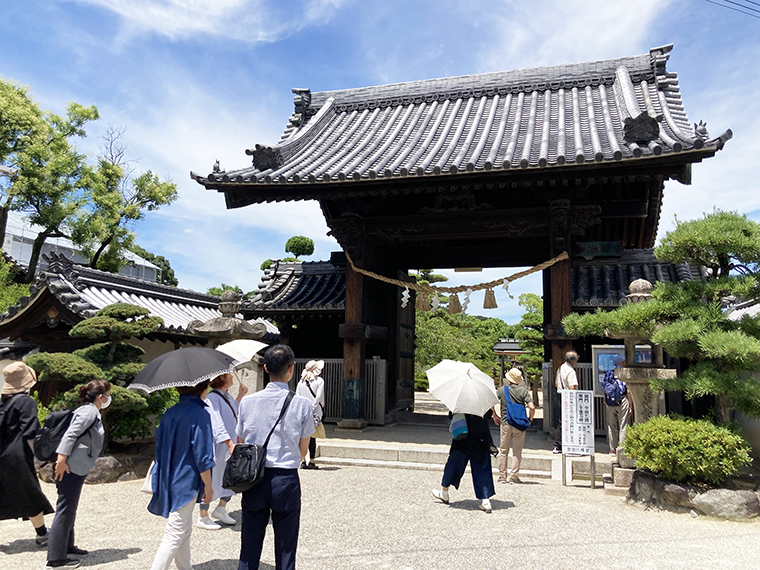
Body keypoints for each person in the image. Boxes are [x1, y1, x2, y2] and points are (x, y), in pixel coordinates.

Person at [236, 344, 314, 570]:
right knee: (286, 545)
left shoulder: (248, 402)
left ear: (266, 368)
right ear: (291, 369)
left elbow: (241, 443)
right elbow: (303, 449)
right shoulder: (302, 404)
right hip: (285, 477)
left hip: (254, 477)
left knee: (249, 544)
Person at [148, 380, 215, 570]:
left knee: (183, 527)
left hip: (168, 476)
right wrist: (208, 486)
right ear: (203, 388)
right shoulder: (200, 414)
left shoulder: (170, 413)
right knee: (175, 531)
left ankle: (186, 567)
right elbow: (203, 456)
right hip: (186, 479)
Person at [46, 379, 110, 569]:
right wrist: (61, 460)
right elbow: (71, 435)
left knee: (69, 507)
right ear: (101, 397)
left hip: (73, 465)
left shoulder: (88, 410)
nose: (108, 398)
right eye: (107, 394)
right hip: (69, 466)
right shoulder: (89, 411)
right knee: (65, 508)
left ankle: (67, 545)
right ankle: (56, 559)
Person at [0, 362, 54, 547]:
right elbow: (31, 432)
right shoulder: (26, 401)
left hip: (2, 454)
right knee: (30, 492)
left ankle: (42, 533)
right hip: (18, 456)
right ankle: (42, 534)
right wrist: (40, 458)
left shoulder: (3, 403)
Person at [197, 372, 248, 530]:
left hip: (228, 444)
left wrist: (240, 395)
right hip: (220, 446)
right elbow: (216, 422)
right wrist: (229, 442)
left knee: (231, 478)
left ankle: (221, 508)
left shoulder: (224, 396)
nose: (233, 376)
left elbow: (234, 411)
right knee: (213, 478)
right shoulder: (213, 398)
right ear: (222, 379)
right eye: (229, 375)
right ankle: (202, 515)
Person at [432, 410, 498, 513]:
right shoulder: (482, 405)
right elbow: (488, 417)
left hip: (462, 440)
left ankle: (444, 492)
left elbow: (451, 416)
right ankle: (485, 500)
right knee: (482, 469)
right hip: (480, 439)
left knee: (452, 466)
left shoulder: (461, 404)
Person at [495, 368, 535, 484]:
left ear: (508, 379)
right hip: (519, 424)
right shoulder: (523, 391)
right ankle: (513, 476)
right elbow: (532, 407)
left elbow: (491, 401)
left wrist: (495, 414)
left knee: (503, 450)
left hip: (505, 422)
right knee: (517, 451)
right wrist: (530, 419)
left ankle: (502, 475)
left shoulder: (502, 390)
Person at [295, 359, 325, 470]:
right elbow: (319, 396)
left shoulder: (301, 382)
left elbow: (297, 396)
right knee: (312, 437)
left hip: (302, 411)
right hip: (315, 412)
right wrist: (312, 407)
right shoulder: (319, 381)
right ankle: (312, 460)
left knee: (302, 436)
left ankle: (302, 460)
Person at [601, 355, 632, 456]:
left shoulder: (609, 373)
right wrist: (630, 405)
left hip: (610, 402)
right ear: (623, 362)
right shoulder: (625, 374)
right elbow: (628, 391)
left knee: (611, 425)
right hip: (622, 400)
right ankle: (622, 448)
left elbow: (603, 388)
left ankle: (612, 449)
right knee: (623, 425)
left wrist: (606, 399)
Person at [553, 351, 578, 454]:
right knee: (569, 421)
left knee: (562, 421)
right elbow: (572, 386)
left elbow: (556, 384)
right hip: (569, 397)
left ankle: (557, 445)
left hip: (561, 395)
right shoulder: (570, 371)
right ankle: (566, 444)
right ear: (575, 360)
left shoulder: (561, 368)